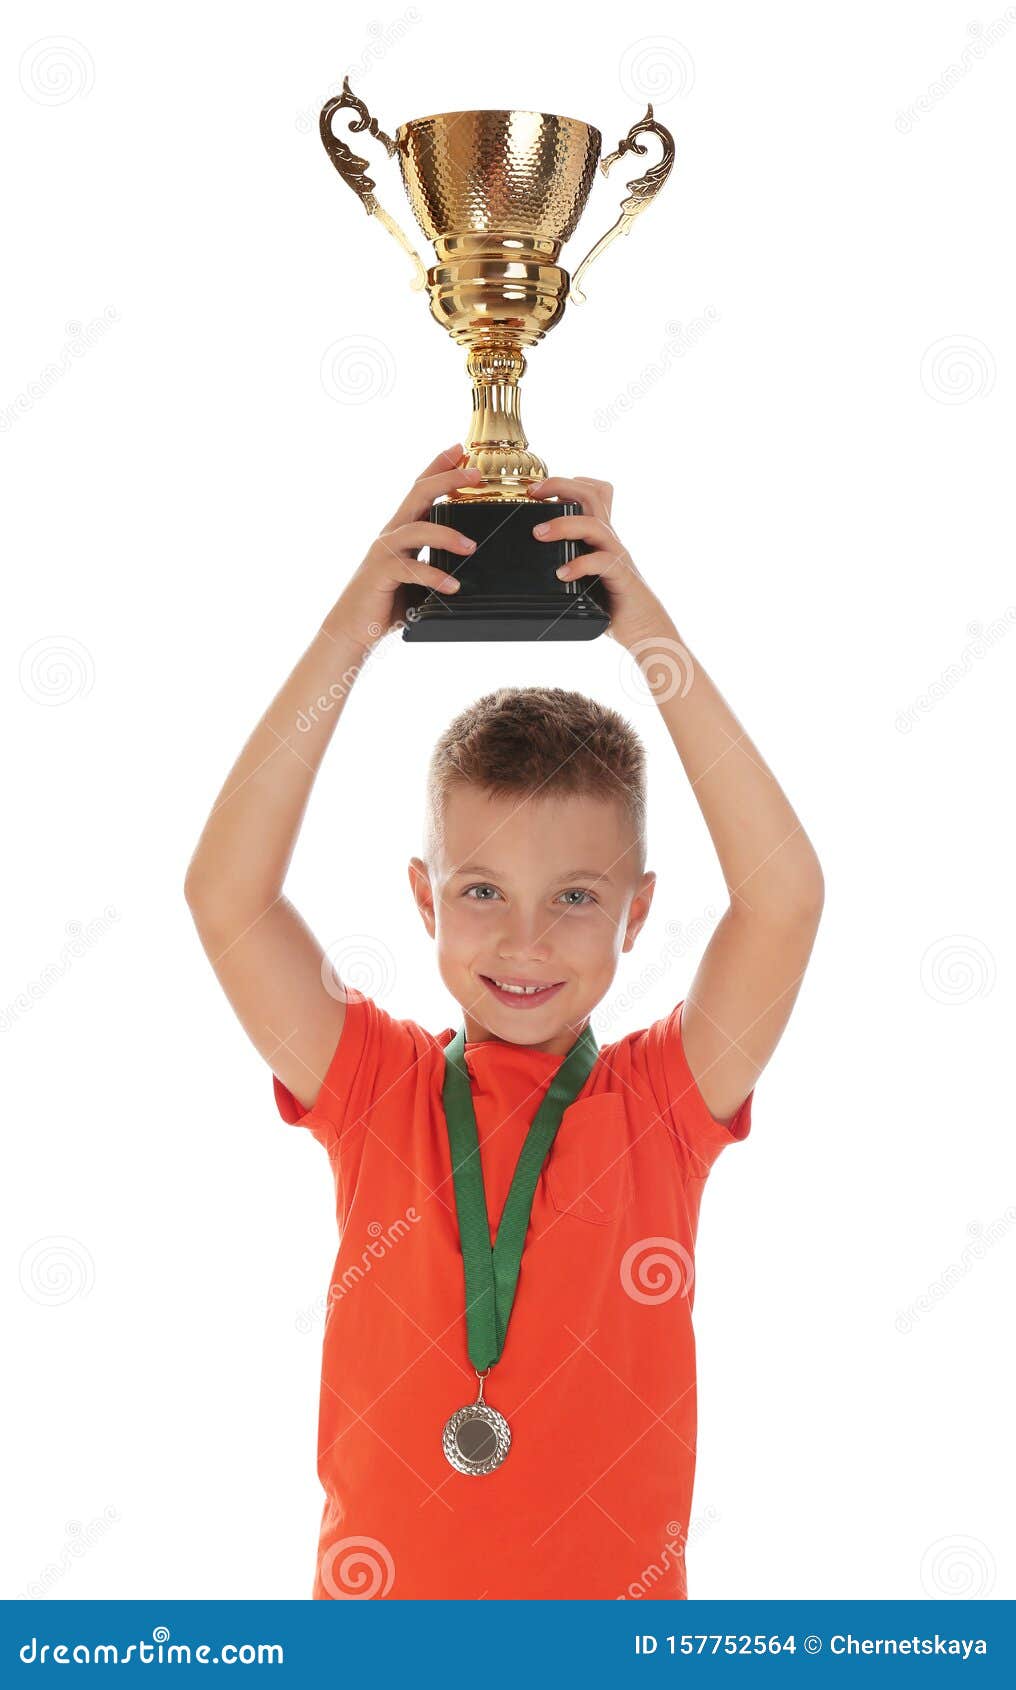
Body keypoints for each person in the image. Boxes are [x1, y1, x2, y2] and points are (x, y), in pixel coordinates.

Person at [184, 443, 824, 1600]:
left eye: (573, 897)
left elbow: (784, 895)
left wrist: (647, 634)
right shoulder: (374, 1085)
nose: (524, 942)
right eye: (482, 891)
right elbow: (224, 895)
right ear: (425, 898)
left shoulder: (662, 1107)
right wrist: (352, 631)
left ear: (635, 914)